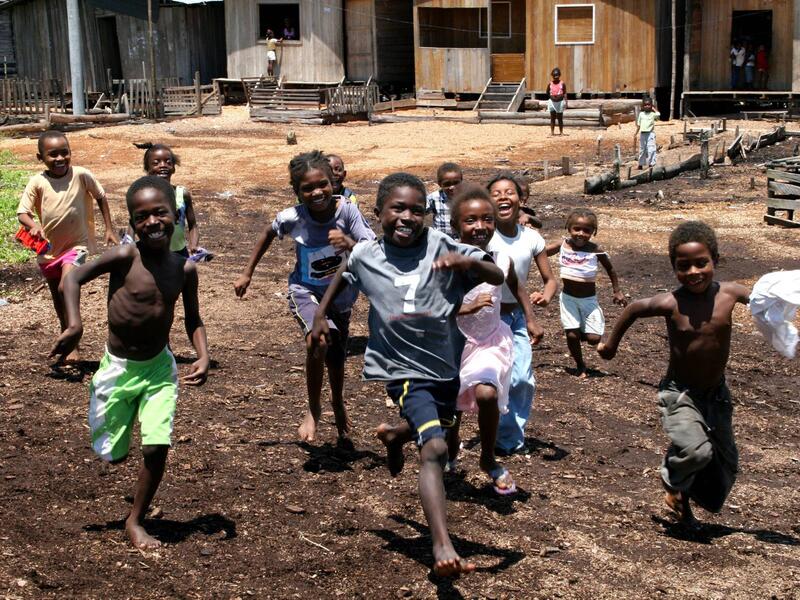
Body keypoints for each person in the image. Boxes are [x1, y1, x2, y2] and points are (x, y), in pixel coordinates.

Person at [310, 172, 504, 576]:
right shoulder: (367, 255)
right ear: (378, 211)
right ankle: (442, 546)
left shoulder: (444, 246)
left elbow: (497, 276)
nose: (407, 217)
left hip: (446, 368)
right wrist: (319, 316)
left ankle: (396, 436)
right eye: (397, 208)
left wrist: (467, 262)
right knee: (435, 449)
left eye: (417, 210)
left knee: (439, 433)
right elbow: (344, 271)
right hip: (401, 370)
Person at [50, 175, 210, 549]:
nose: (152, 222)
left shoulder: (184, 269)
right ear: (133, 223)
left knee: (156, 446)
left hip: (159, 369)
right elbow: (72, 279)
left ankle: (135, 520)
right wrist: (74, 325)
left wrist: (203, 354)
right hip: (117, 370)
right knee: (112, 454)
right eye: (142, 217)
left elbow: (193, 319)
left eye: (160, 213)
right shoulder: (125, 257)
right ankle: (116, 443)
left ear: (176, 215)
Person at [598, 221, 750, 526]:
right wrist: (610, 345)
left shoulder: (730, 293)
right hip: (680, 394)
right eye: (684, 266)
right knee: (696, 452)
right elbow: (635, 308)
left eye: (701, 263)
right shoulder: (672, 302)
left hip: (717, 396)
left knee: (725, 464)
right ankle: (672, 480)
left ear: (715, 260)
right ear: (674, 267)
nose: (693, 272)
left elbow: (763, 301)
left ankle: (682, 501)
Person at [233, 150, 375, 444]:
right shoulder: (293, 217)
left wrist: (348, 242)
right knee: (318, 340)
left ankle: (337, 401)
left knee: (336, 357)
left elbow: (371, 248)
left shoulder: (348, 211)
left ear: (333, 182)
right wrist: (247, 272)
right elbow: (267, 233)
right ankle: (313, 409)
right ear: (296, 192)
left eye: (322, 184)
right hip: (305, 291)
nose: (317, 192)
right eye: (307, 188)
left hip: (341, 296)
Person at [446, 183, 543, 495]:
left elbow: (517, 287)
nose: (480, 227)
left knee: (487, 393)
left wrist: (530, 318)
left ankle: (488, 457)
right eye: (470, 220)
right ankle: (450, 449)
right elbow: (429, 303)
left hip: (488, 340)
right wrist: (463, 307)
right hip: (451, 343)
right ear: (455, 225)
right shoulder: (446, 261)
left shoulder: (501, 259)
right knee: (451, 408)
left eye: (487, 219)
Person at [17, 130, 118, 363]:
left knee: (66, 285)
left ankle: (75, 330)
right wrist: (33, 226)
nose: (60, 158)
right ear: (40, 157)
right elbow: (23, 213)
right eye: (53, 155)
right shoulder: (37, 182)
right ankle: (69, 336)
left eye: (65, 152)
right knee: (58, 297)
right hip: (48, 251)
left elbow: (101, 196)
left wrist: (109, 229)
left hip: (76, 245)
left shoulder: (81, 175)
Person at [487, 173, 558, 454]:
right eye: (495, 193)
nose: (503, 197)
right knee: (490, 380)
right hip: (488, 317)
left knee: (521, 379)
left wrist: (546, 297)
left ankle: (508, 439)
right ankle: (490, 431)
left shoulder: (532, 238)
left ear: (521, 199)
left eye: (509, 192)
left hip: (517, 315)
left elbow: (550, 280)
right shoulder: (484, 236)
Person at [544, 208, 626, 378]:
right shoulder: (562, 245)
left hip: (589, 300)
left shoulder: (595, 250)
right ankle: (580, 365)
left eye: (586, 230)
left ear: (593, 232)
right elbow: (540, 253)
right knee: (571, 335)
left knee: (593, 339)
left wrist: (617, 291)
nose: (581, 234)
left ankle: (580, 332)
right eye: (577, 229)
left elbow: (610, 269)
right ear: (569, 228)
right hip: (568, 299)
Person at [142, 143, 199, 258]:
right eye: (156, 163)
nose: (163, 165)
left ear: (173, 168)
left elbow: (193, 225)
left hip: (179, 253)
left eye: (168, 162)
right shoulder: (143, 196)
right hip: (152, 255)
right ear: (147, 168)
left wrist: (193, 245)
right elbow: (132, 225)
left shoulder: (182, 194)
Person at [425, 162, 463, 238]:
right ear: (440, 184)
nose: (452, 187)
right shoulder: (434, 198)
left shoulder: (467, 198)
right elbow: (420, 211)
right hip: (440, 240)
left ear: (461, 181)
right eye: (447, 184)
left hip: (461, 240)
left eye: (456, 183)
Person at [634, 97, 660, 170]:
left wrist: (654, 109)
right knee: (642, 150)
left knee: (651, 149)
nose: (647, 106)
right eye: (645, 105)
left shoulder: (652, 114)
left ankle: (651, 164)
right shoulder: (641, 114)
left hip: (650, 134)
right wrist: (635, 133)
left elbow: (658, 114)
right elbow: (639, 125)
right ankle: (640, 164)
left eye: (649, 105)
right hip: (642, 134)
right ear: (643, 106)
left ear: (651, 105)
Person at [546, 67, 567, 136]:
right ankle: (552, 132)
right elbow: (547, 92)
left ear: (559, 75)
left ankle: (561, 132)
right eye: (554, 75)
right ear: (552, 76)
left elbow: (564, 93)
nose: (556, 77)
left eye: (557, 75)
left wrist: (566, 102)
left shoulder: (562, 83)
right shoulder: (550, 84)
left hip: (560, 102)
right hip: (552, 102)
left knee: (560, 118)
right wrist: (551, 97)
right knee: (552, 118)